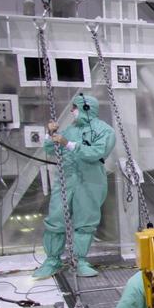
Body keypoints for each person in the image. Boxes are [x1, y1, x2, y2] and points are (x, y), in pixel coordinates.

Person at [34, 93, 116, 279]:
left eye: (75, 108)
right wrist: (51, 134)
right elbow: (50, 149)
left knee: (85, 222)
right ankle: (52, 260)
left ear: (86, 108)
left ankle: (80, 261)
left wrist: (68, 144)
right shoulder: (69, 130)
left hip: (90, 182)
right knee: (55, 219)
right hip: (66, 180)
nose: (72, 111)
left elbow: (96, 152)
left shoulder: (104, 131)